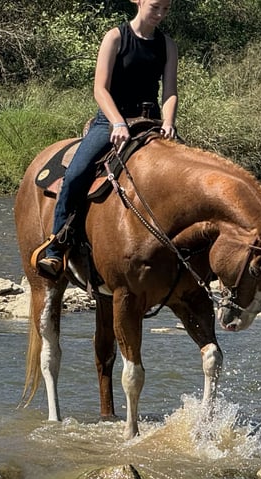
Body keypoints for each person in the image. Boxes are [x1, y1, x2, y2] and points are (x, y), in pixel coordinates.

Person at [37, 0, 179, 279]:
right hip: (111, 120)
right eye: (155, 7)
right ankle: (57, 246)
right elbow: (100, 89)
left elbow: (170, 91)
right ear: (138, 1)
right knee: (77, 174)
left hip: (150, 121)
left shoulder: (168, 45)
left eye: (166, 9)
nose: (160, 14)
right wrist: (117, 121)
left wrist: (170, 122)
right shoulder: (116, 37)